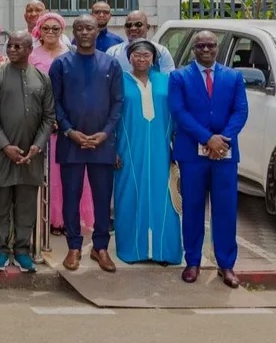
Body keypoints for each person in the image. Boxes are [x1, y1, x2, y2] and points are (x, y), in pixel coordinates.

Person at [169, 31, 249, 288]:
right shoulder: (179, 77)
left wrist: (222, 139)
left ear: (217, 48)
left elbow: (240, 110)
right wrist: (207, 138)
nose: (206, 49)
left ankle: (226, 265)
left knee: (225, 210)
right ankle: (192, 262)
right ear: (194, 49)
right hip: (192, 154)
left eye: (210, 45)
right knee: (192, 208)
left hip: (224, 154)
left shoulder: (233, 77)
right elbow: (179, 111)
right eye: (201, 45)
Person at [50, 15, 123, 273]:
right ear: (73, 31)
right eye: (79, 28)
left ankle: (100, 247)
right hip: (71, 143)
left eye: (88, 28)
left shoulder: (111, 64)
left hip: (102, 144)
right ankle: (73, 246)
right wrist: (70, 131)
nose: (83, 32)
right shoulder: (61, 64)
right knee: (72, 197)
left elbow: (117, 103)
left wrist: (105, 133)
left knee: (103, 198)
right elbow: (54, 103)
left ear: (97, 31)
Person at [0, 31, 55, 273]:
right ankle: (1, 250)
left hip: (31, 155)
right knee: (0, 204)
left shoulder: (42, 79)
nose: (12, 50)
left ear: (29, 49)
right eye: (10, 45)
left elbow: (49, 116)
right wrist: (5, 145)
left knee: (25, 205)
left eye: (18, 46)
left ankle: (22, 250)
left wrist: (38, 145)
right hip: (1, 153)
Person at [114, 39, 182, 266]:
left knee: (164, 197)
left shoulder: (167, 81)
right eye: (137, 55)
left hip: (161, 148)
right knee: (129, 194)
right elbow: (111, 117)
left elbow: (178, 114)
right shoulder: (119, 82)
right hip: (128, 148)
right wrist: (112, 150)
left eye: (146, 55)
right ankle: (133, 250)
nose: (141, 59)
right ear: (129, 57)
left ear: (153, 58)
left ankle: (164, 251)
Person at [30, 11, 91, 235]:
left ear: (62, 31)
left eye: (56, 29)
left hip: (69, 122)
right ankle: (50, 219)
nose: (51, 33)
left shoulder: (72, 54)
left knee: (71, 175)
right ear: (39, 31)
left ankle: (69, 219)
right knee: (49, 175)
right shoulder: (32, 55)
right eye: (46, 28)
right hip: (41, 120)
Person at [106, 10, 175, 73]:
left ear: (147, 27)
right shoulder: (113, 52)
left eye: (138, 24)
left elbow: (168, 79)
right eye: (129, 25)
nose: (133, 28)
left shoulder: (161, 52)